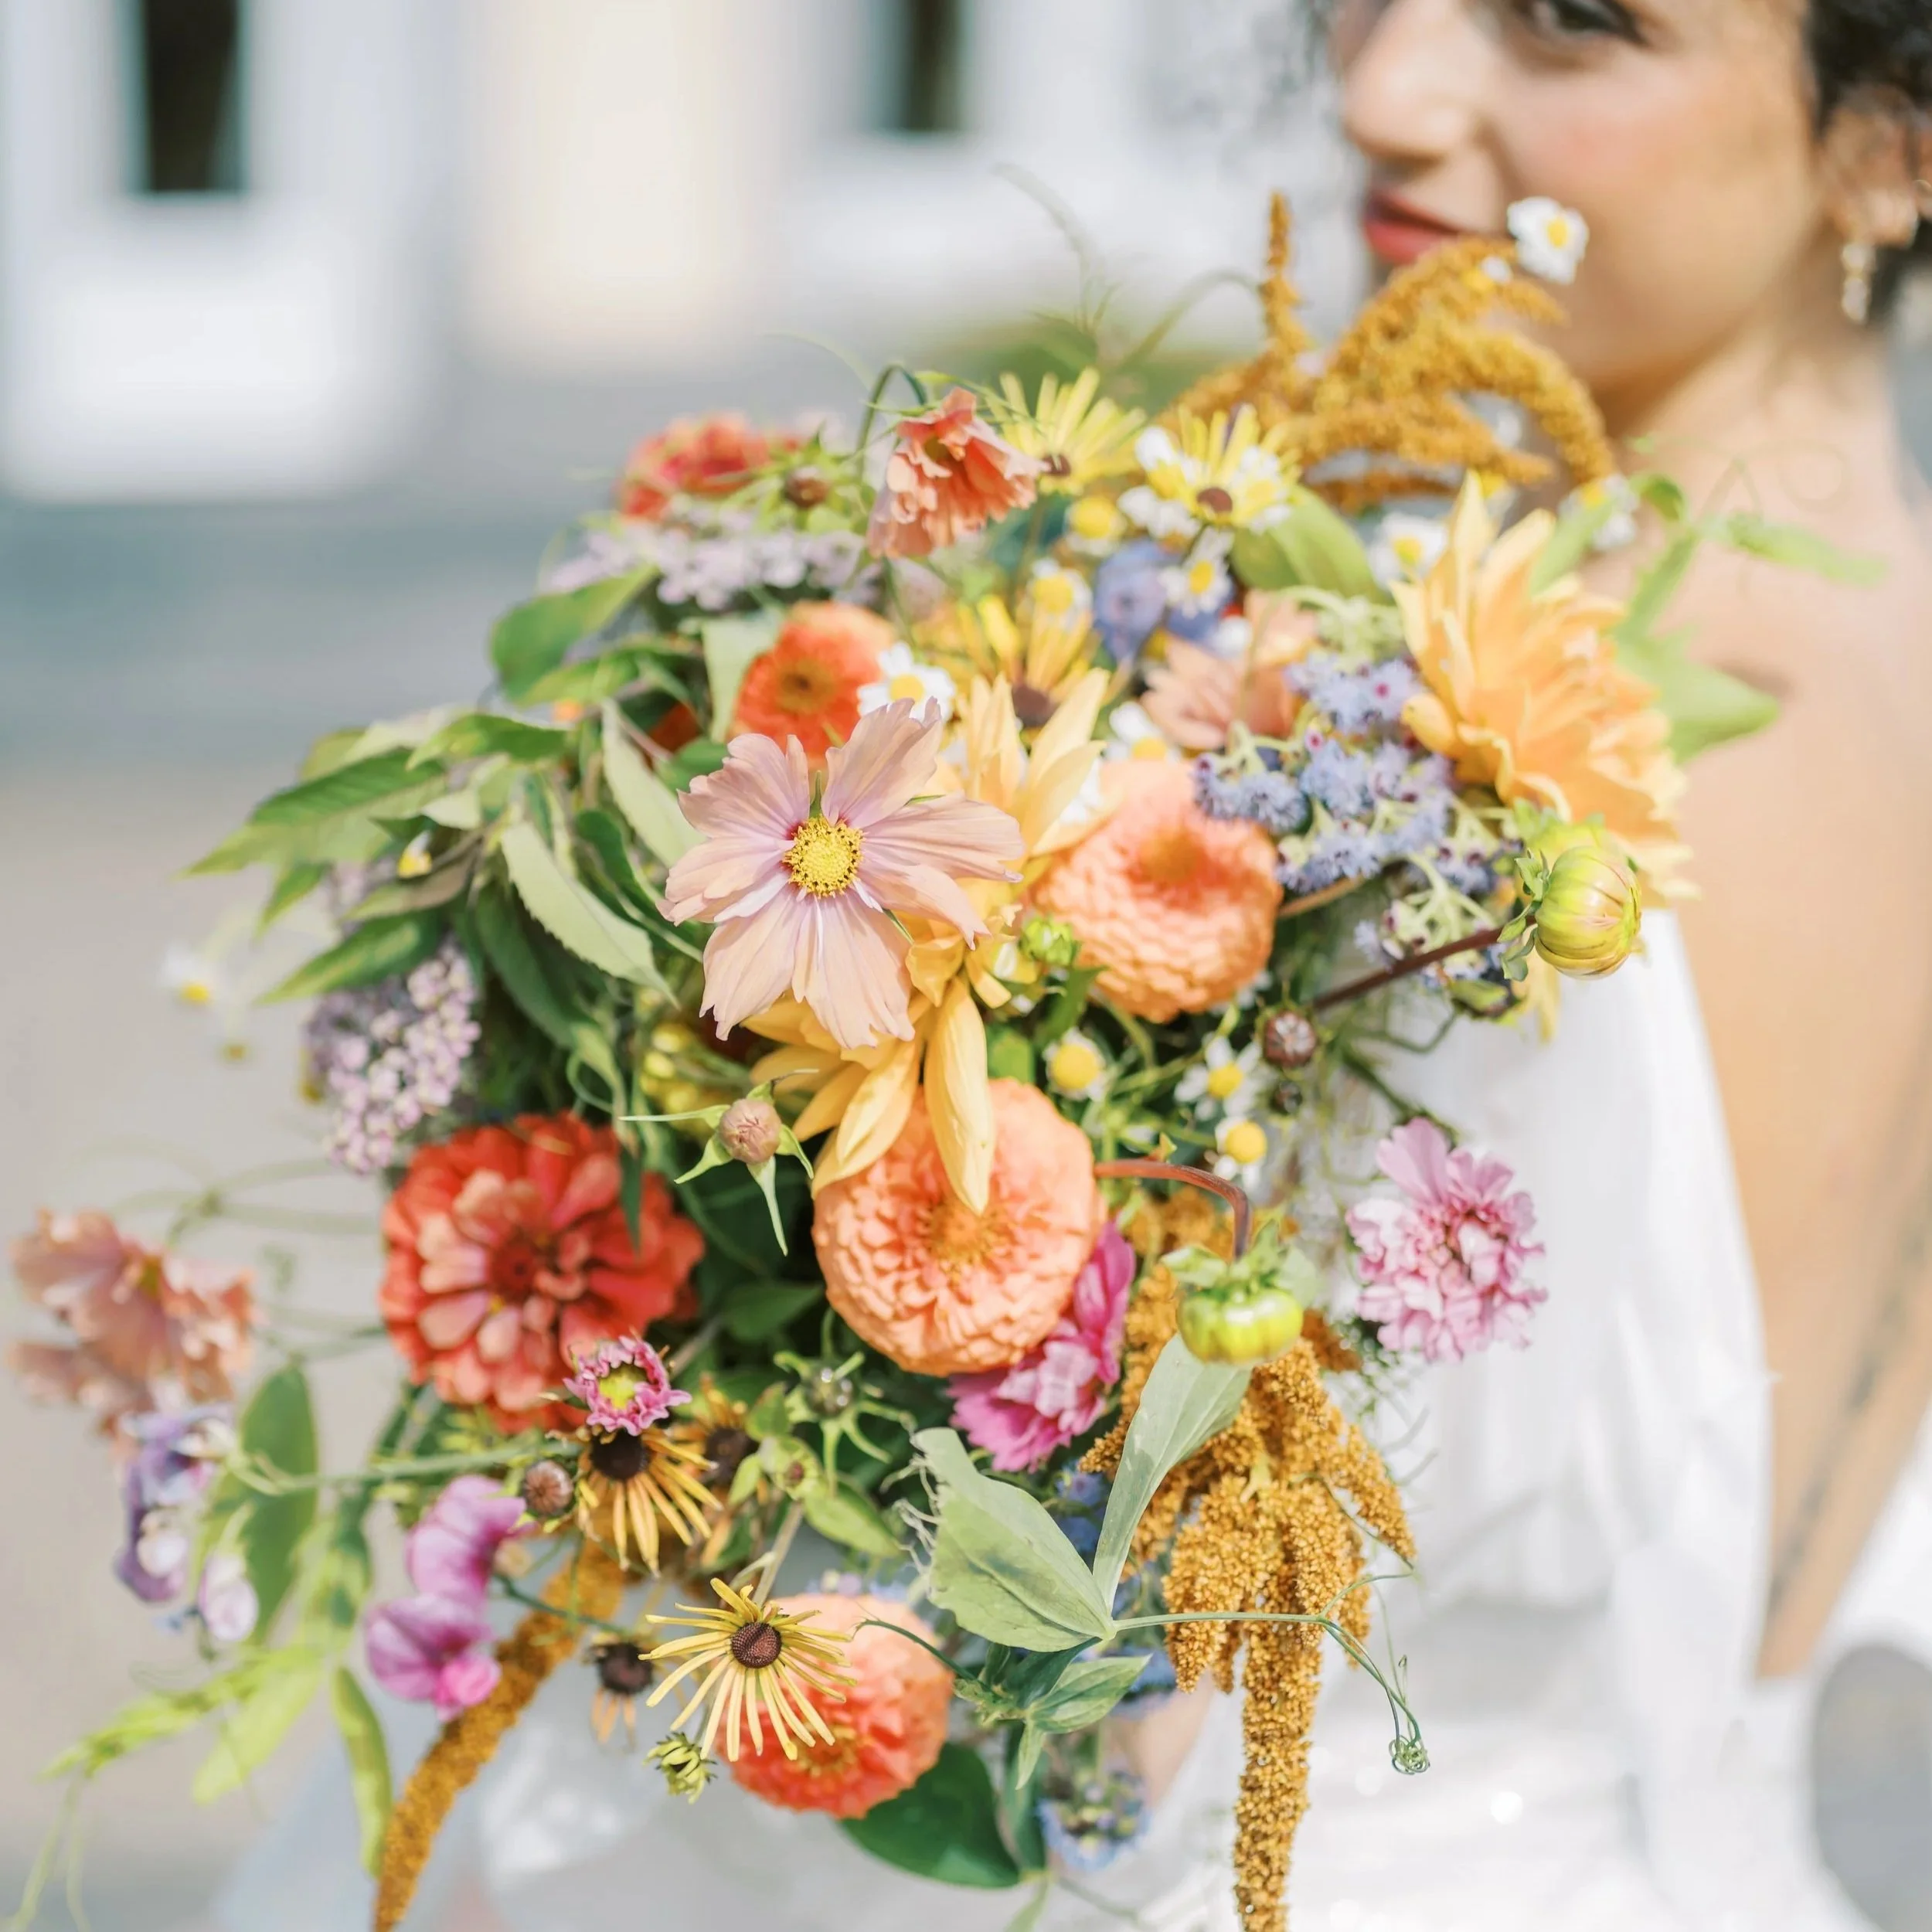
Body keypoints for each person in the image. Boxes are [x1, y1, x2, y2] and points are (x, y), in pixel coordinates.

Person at [1335, 0, 1932, 1682]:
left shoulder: (1617, 747)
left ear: (1891, 145)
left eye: (1569, 20)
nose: (1383, 88)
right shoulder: (1876, 615)